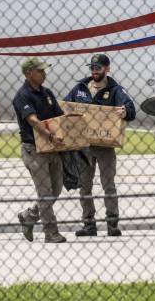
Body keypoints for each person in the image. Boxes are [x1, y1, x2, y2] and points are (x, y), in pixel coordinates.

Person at [64, 53, 136, 237]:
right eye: (93, 68)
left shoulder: (115, 90)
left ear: (107, 69)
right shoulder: (80, 88)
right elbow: (64, 106)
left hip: (105, 146)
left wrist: (124, 111)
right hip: (84, 146)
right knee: (85, 187)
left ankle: (112, 224)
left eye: (98, 68)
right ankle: (89, 225)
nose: (95, 71)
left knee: (108, 185)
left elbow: (131, 109)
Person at [13, 57, 68, 244]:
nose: (45, 73)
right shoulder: (22, 96)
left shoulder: (47, 93)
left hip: (52, 148)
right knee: (45, 192)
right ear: (29, 74)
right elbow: (33, 120)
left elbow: (60, 117)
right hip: (34, 149)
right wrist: (51, 136)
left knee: (56, 189)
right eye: (40, 71)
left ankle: (29, 216)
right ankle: (50, 232)